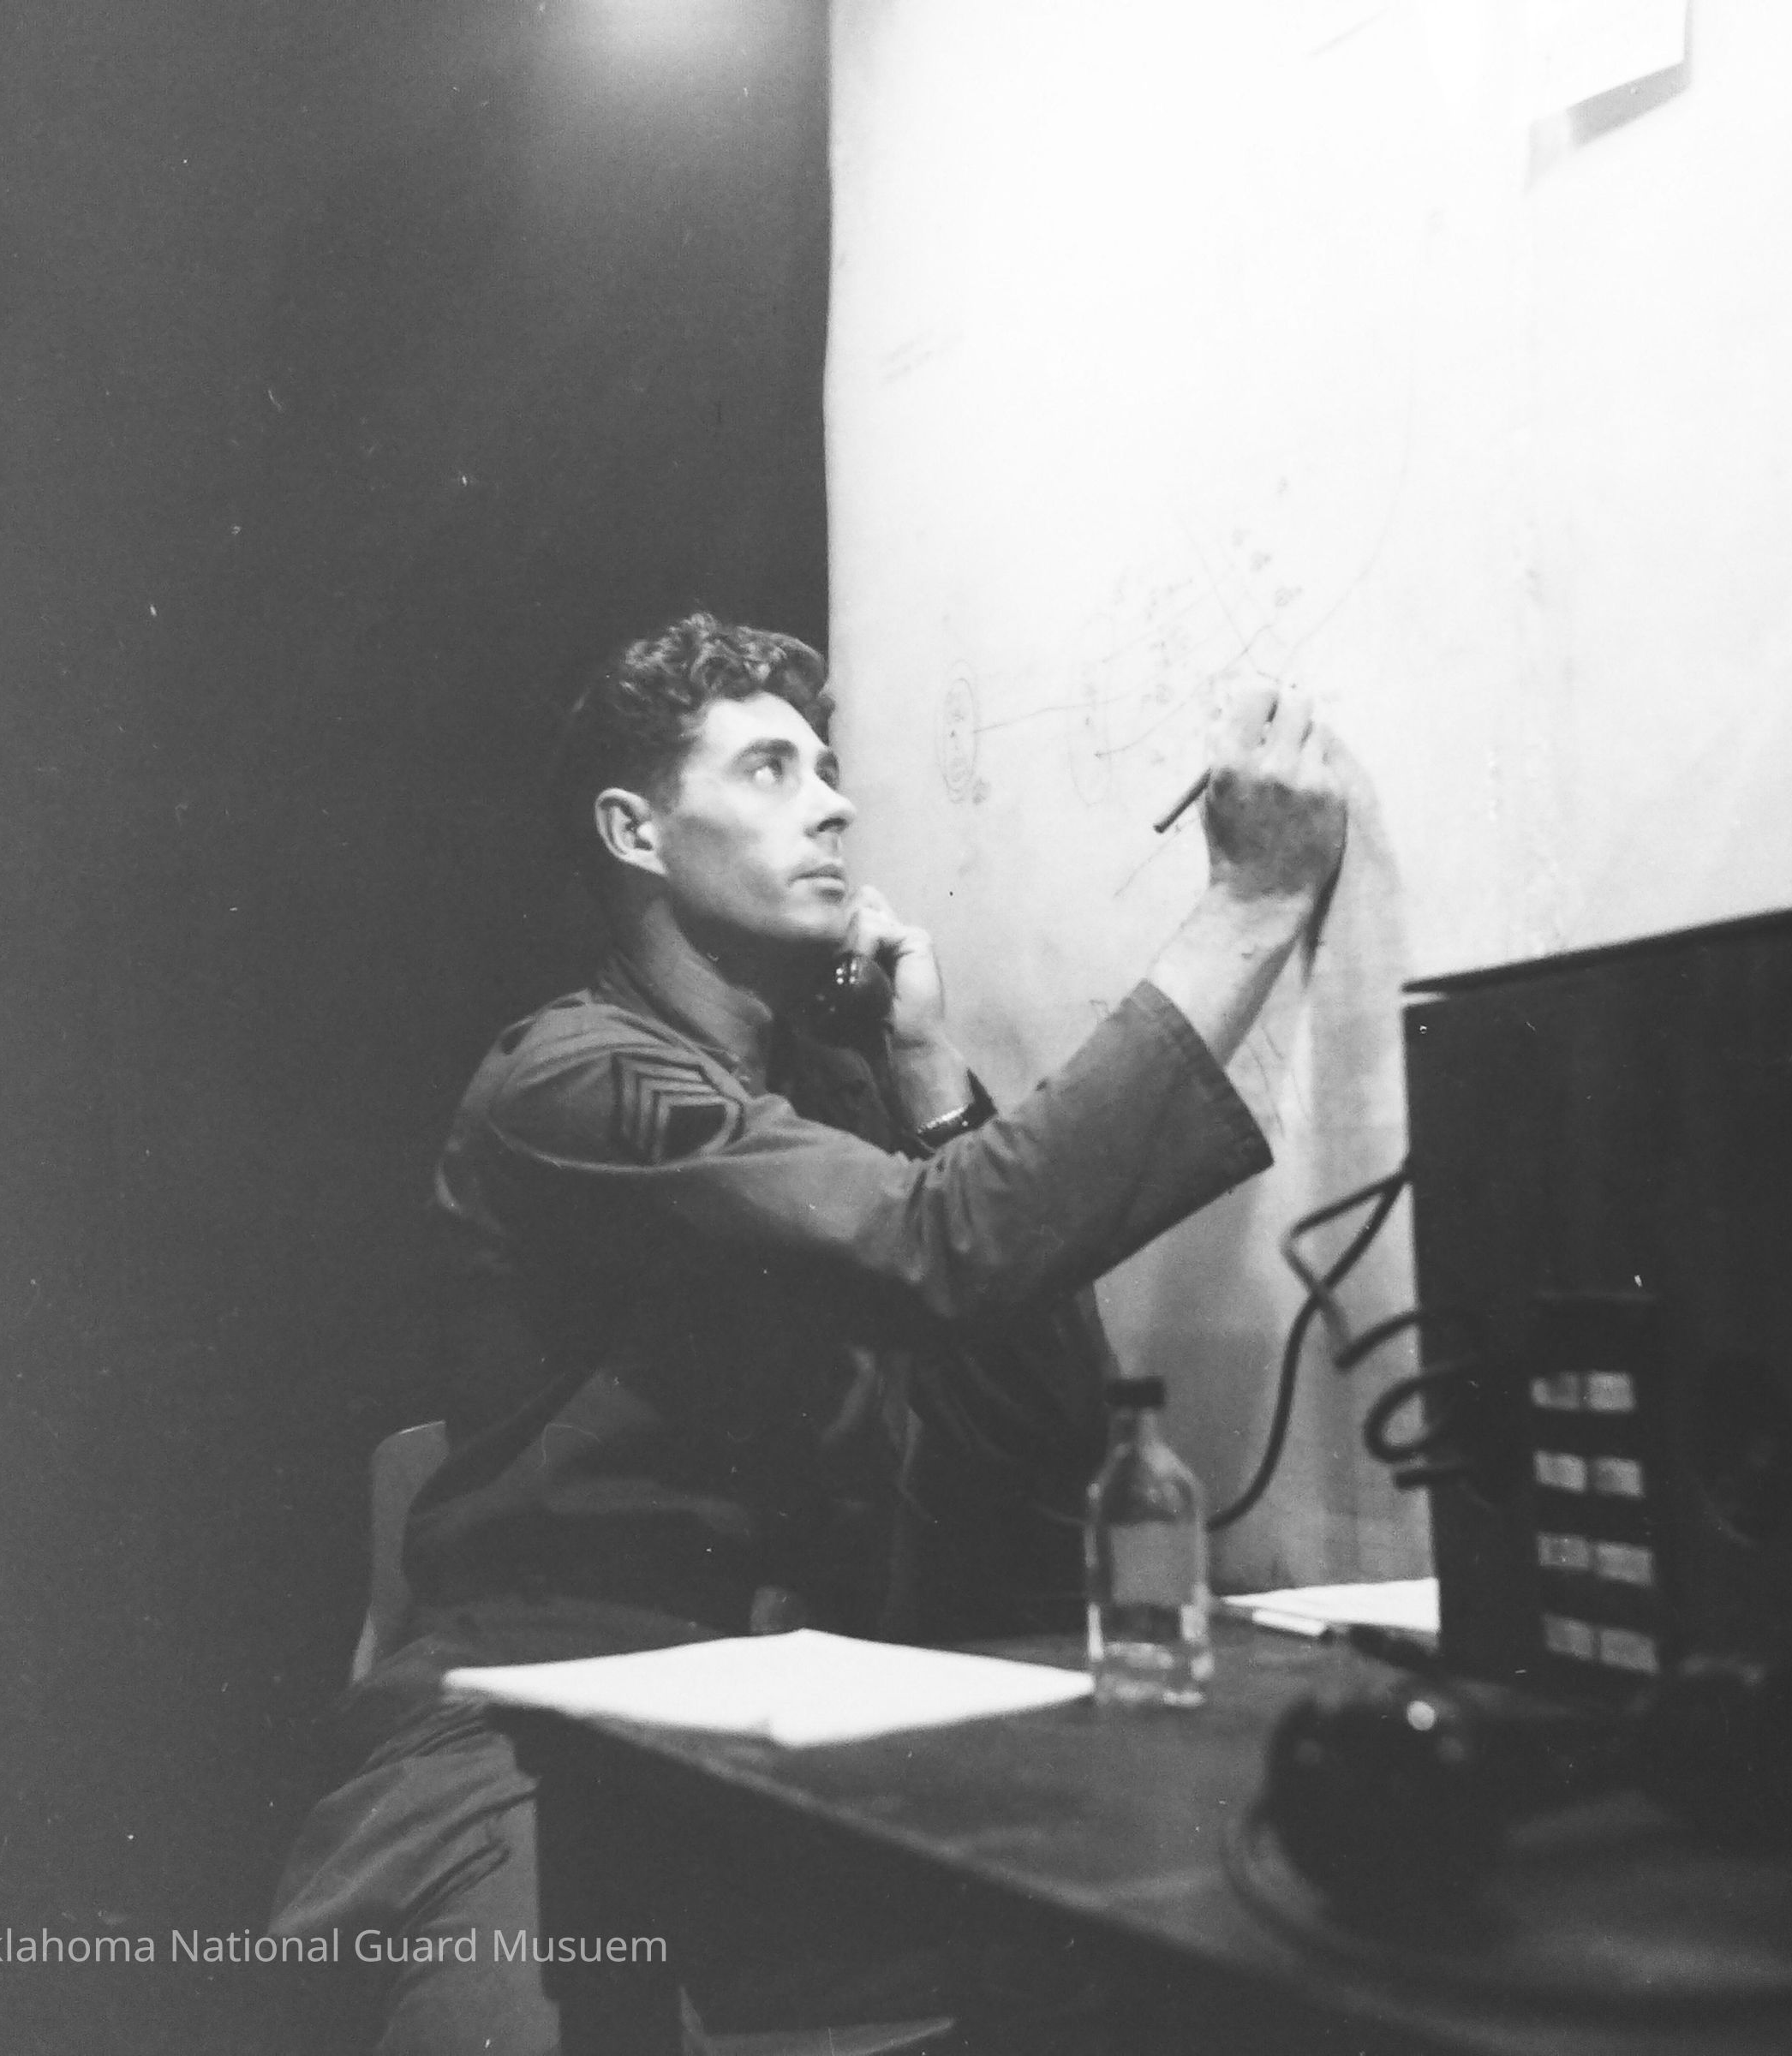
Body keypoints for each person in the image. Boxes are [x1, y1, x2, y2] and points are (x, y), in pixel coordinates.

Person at [270, 613, 1347, 2053]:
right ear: (635, 832)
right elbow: (939, 1247)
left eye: (828, 770)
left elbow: (1041, 1422)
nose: (833, 804)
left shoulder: (821, 1109)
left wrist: (923, 1067)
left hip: (792, 1732)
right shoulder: (573, 1079)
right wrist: (1249, 904)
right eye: (770, 770)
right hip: (538, 1737)